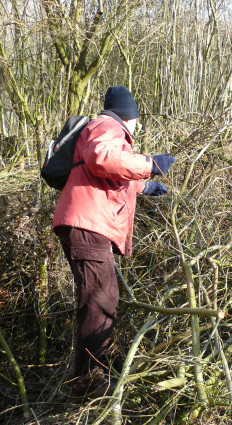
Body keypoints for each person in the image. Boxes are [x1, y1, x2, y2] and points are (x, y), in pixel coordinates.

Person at [52, 86, 176, 396]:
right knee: (99, 300)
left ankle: (96, 370)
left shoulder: (101, 129)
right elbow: (102, 159)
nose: (136, 127)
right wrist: (149, 163)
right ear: (129, 117)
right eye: (136, 120)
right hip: (88, 225)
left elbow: (104, 175)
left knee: (102, 296)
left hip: (84, 222)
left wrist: (143, 187)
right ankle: (90, 381)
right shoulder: (108, 126)